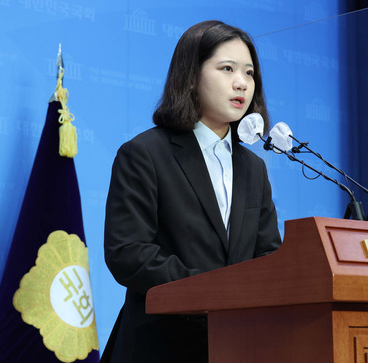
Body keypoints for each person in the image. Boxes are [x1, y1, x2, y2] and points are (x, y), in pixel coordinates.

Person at [101, 20, 282, 362]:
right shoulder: (145, 153)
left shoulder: (253, 168)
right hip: (161, 346)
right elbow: (128, 252)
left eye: (249, 72)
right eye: (226, 68)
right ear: (191, 75)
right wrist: (214, 291)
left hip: (238, 346)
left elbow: (268, 255)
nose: (242, 82)